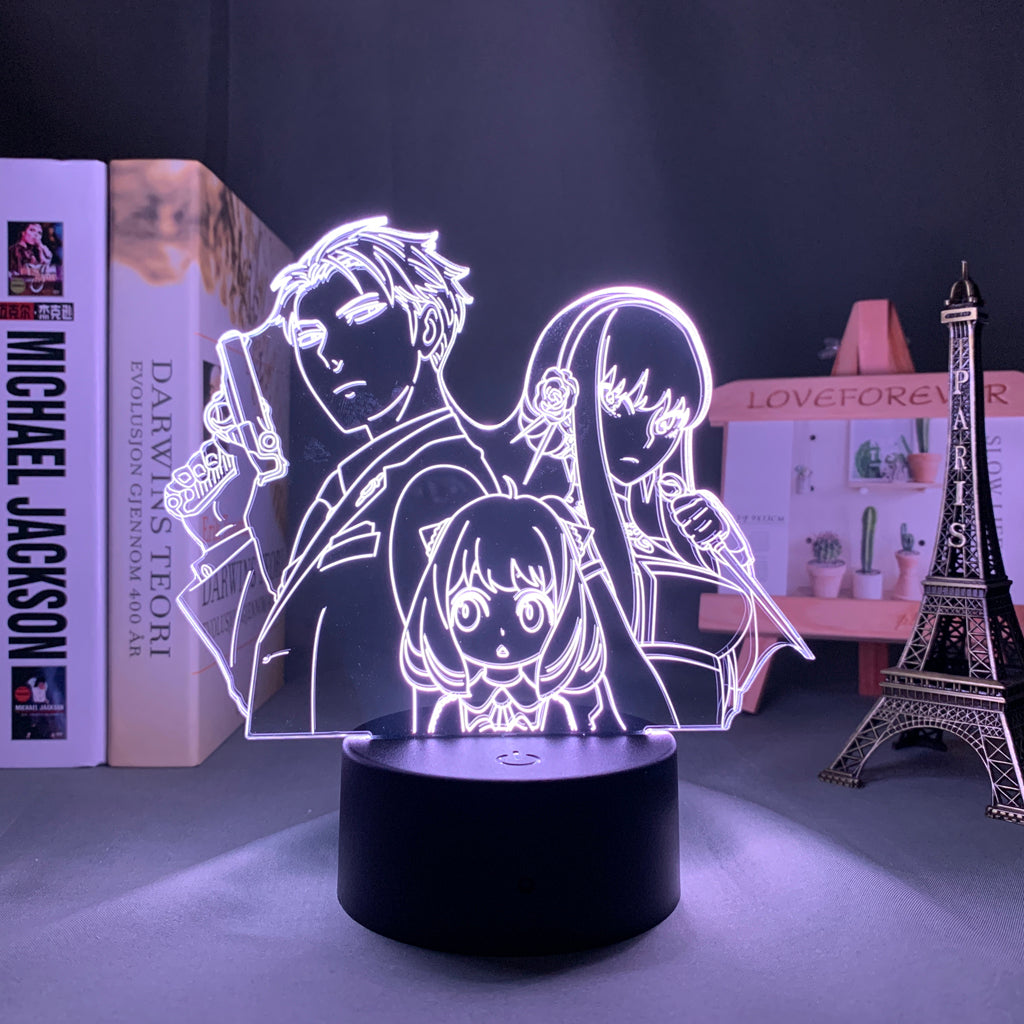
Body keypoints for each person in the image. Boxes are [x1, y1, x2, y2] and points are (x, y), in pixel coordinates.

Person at [167, 218, 497, 735]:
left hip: (404, 750)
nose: (330, 357)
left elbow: (437, 672)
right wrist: (229, 526)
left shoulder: (447, 483)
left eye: (360, 317)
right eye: (308, 337)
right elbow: (279, 657)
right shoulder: (355, 481)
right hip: (340, 752)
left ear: (428, 326)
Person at [507, 287, 811, 728]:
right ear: (565, 396)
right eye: (621, 407)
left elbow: (739, 605)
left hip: (673, 703)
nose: (647, 440)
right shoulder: (535, 516)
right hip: (568, 707)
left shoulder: (666, 513)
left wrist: (720, 541)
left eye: (667, 424)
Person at [399, 491, 624, 734]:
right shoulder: (452, 708)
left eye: (532, 614)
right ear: (437, 606)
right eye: (469, 613)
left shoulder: (555, 708)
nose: (502, 633)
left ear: (568, 608)